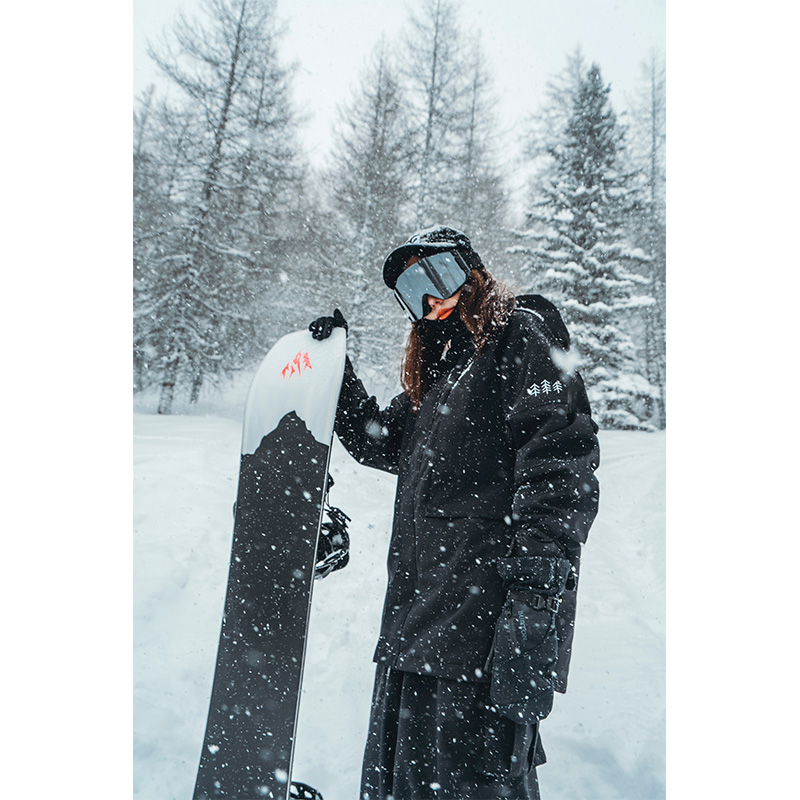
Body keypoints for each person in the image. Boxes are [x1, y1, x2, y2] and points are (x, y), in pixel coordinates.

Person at [309, 226, 600, 800]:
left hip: (482, 622)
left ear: (471, 271)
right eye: (410, 290)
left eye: (435, 275)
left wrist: (534, 596)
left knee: (472, 780)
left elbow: (561, 462)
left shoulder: (520, 336)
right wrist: (335, 375)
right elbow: (376, 438)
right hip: (417, 618)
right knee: (406, 778)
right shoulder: (441, 378)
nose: (428, 298)